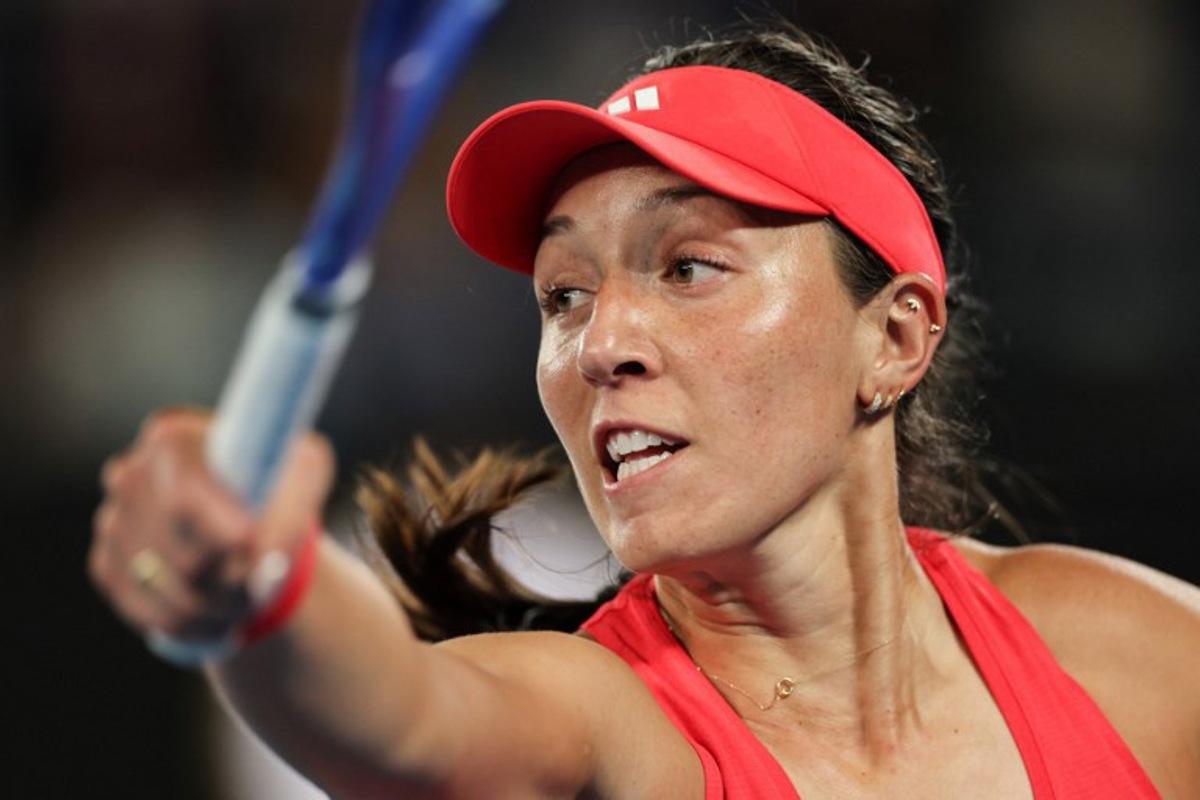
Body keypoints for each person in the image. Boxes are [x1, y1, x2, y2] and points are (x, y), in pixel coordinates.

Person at [89, 23, 1198, 799]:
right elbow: (407, 724)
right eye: (563, 294)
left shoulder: (1132, 657)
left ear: (895, 337)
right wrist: (260, 588)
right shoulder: (609, 726)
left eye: (688, 267)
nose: (600, 343)